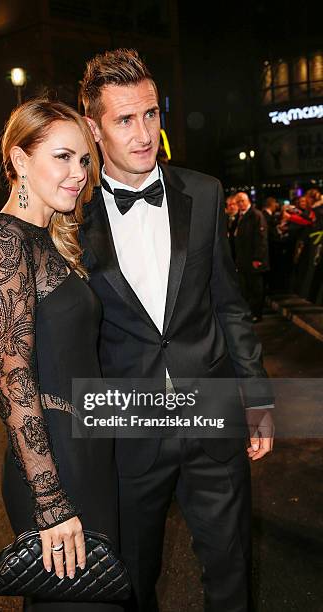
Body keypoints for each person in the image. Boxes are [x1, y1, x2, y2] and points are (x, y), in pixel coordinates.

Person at [79, 49, 274, 612]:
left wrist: (258, 397)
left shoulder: (205, 193)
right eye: (123, 119)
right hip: (128, 430)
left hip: (212, 417)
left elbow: (229, 305)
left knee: (231, 567)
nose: (143, 134)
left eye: (150, 114)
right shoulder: (74, 214)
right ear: (93, 126)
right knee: (132, 580)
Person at [0, 99, 121, 612]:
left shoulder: (51, 240)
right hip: (55, 470)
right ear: (18, 160)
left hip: (89, 455)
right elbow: (14, 384)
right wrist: (52, 506)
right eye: (62, 157)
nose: (78, 173)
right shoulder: (3, 244)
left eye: (83, 160)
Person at [234, 192, 269, 323]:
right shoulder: (241, 216)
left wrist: (258, 259)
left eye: (242, 201)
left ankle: (256, 314)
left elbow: (261, 239)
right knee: (246, 288)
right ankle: (249, 312)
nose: (240, 204)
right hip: (244, 260)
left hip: (253, 261)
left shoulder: (256, 215)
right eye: (238, 202)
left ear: (248, 200)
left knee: (256, 289)